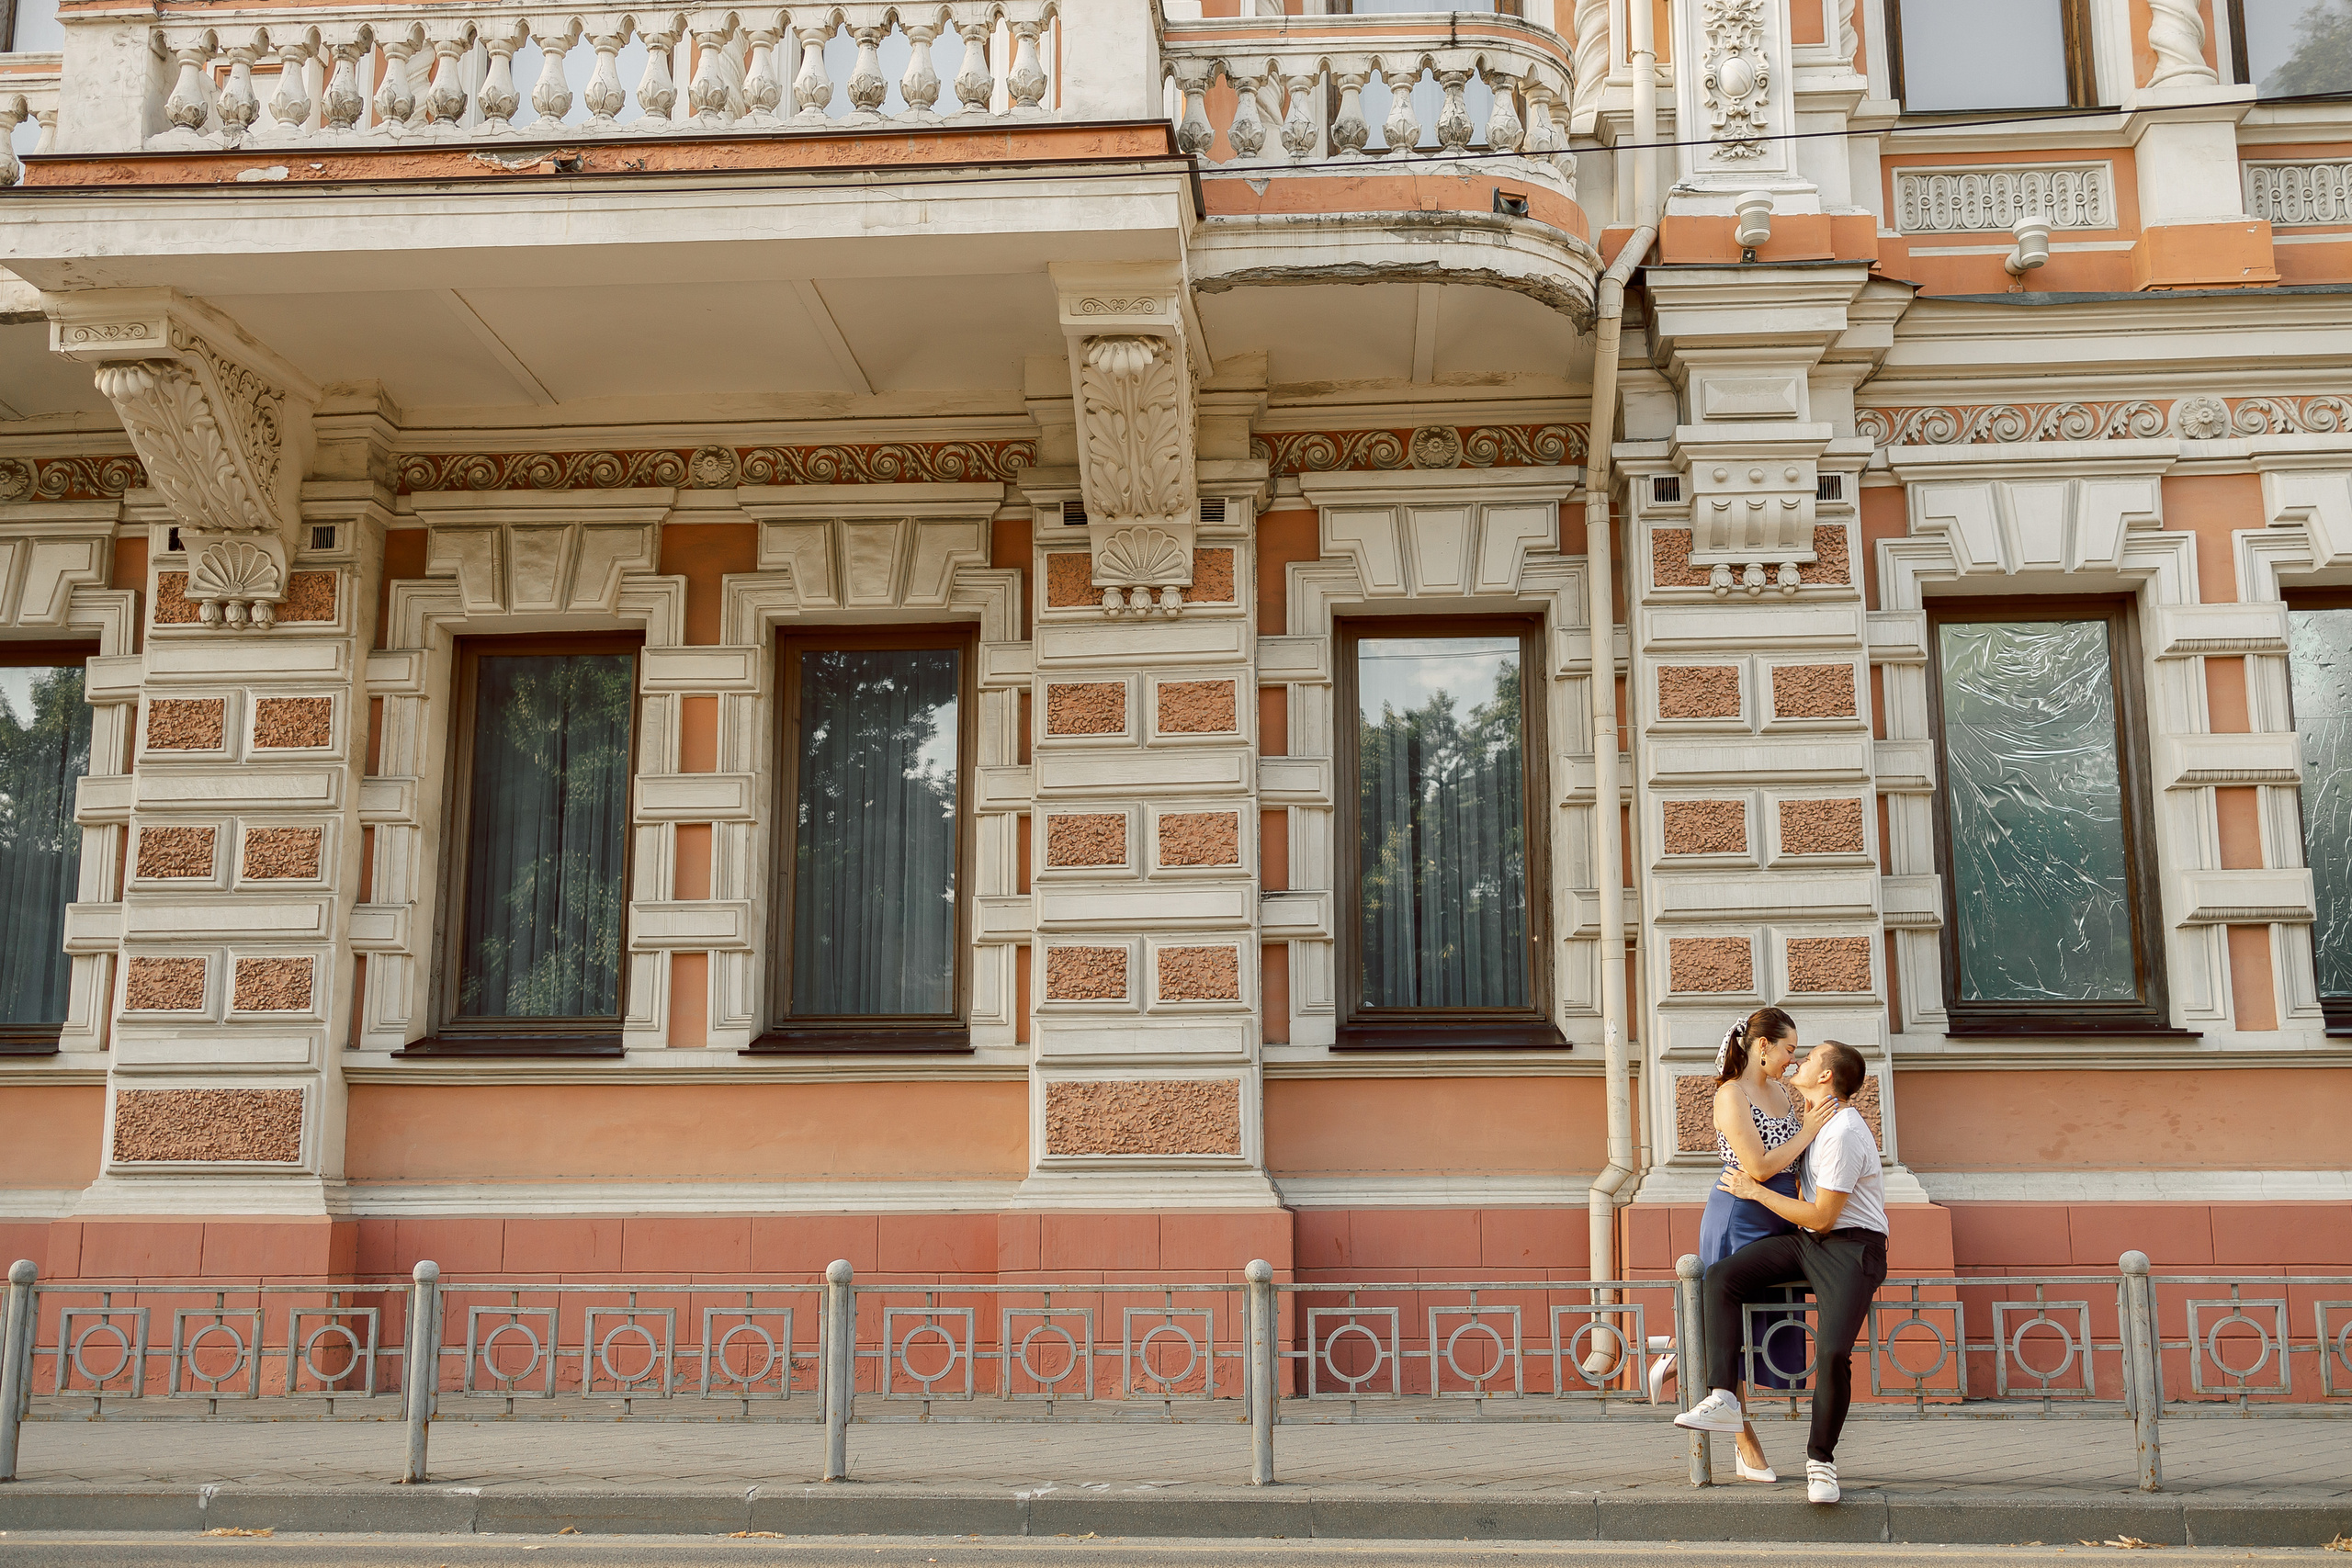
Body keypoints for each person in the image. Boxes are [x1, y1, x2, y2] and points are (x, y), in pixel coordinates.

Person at [1674, 1040, 1888, 1506]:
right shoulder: (1812, 1119)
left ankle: (1821, 1464)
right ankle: (1723, 1397)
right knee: (1720, 1277)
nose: (1799, 1060)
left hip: (1851, 1248)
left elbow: (1824, 1217)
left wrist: (1755, 1191)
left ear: (1827, 1076)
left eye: (1809, 1058)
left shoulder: (1844, 1132)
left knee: (1832, 1353)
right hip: (1808, 1241)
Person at [1694, 1006, 1836, 1483]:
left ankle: (1674, 1353)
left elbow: (1792, 1161)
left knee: (1759, 1321)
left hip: (1778, 1215)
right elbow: (1757, 1166)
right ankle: (1742, 1437)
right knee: (1730, 1322)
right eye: (1789, 1050)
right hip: (1739, 1214)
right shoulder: (1730, 1095)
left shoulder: (1778, 1089)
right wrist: (1811, 1130)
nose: (1793, 1061)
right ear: (1762, 1047)